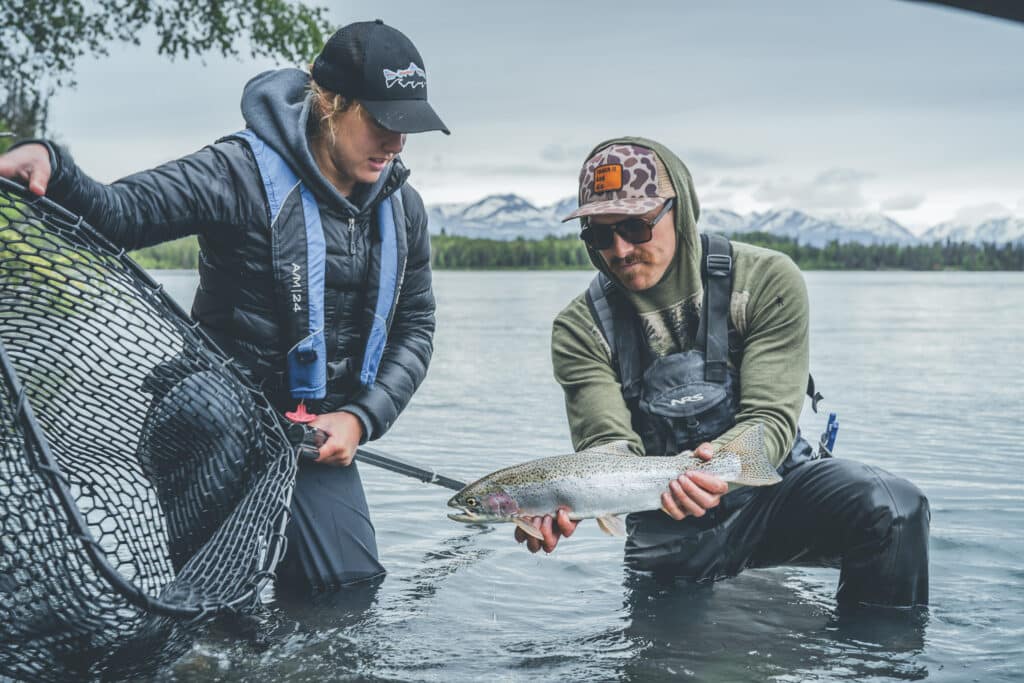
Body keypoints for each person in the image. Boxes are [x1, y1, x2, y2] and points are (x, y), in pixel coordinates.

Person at [0, 19, 448, 593]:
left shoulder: (404, 210)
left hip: (310, 438)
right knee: (216, 608)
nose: (398, 142)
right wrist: (51, 164)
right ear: (331, 102)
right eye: (383, 121)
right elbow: (119, 213)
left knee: (347, 593)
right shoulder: (235, 172)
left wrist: (360, 419)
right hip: (212, 426)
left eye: (409, 126)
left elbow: (416, 329)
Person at [514, 137, 930, 608]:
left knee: (894, 510)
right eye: (600, 235)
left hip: (774, 497)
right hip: (666, 528)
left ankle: (879, 666)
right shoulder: (579, 327)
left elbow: (770, 421)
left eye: (635, 225)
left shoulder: (766, 280)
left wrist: (717, 471)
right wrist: (568, 501)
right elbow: (607, 449)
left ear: (682, 209)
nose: (621, 248)